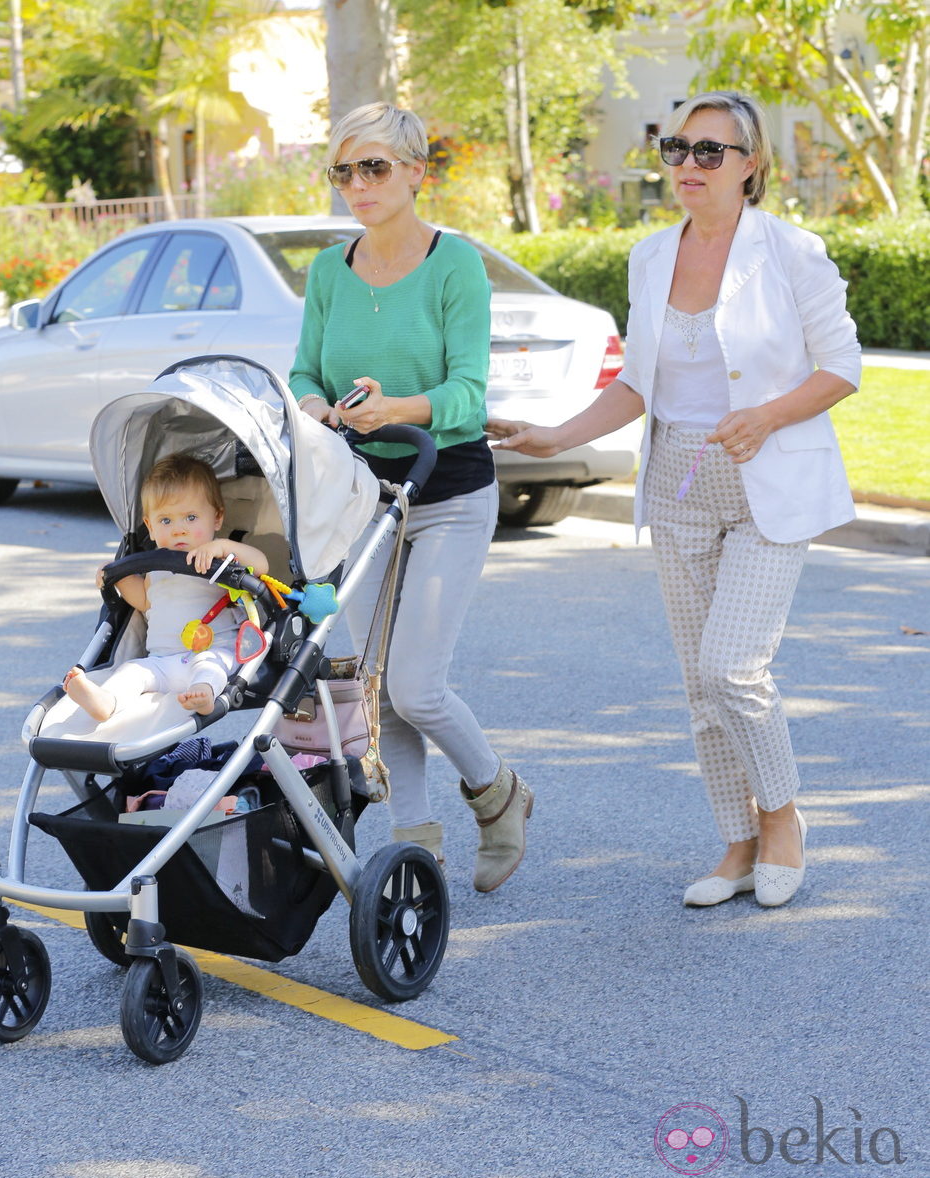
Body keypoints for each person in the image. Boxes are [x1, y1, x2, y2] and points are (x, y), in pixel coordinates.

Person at [487, 91, 860, 909]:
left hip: (767, 477)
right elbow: (637, 386)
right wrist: (555, 437)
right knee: (699, 682)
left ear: (751, 164)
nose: (688, 166)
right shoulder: (651, 257)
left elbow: (843, 367)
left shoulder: (794, 252)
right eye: (677, 149)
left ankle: (783, 818)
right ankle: (733, 842)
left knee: (736, 667)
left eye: (709, 152)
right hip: (678, 479)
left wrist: (767, 414)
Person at [288, 101, 533, 892]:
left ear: (416, 173)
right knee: (369, 685)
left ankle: (499, 797)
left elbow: (468, 392)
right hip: (364, 497)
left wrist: (396, 408)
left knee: (417, 685)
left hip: (449, 490)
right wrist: (318, 407)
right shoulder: (329, 270)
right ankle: (414, 850)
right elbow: (302, 373)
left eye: (375, 168)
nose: (357, 185)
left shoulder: (453, 265)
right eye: (344, 170)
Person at [64, 452, 268, 721]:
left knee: (212, 669)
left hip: (213, 651)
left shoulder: (220, 559)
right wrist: (118, 576)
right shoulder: (155, 566)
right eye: (166, 521)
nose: (178, 529)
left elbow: (261, 565)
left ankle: (204, 696)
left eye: (191, 518)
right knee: (132, 671)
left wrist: (224, 547)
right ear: (149, 526)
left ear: (217, 518)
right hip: (162, 662)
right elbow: (146, 602)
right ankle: (106, 701)